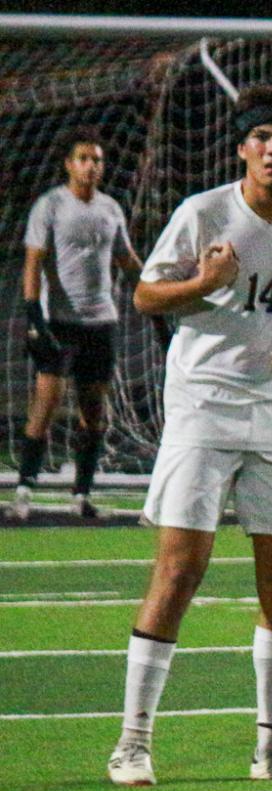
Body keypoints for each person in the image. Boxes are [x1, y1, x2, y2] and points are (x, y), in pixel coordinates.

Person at [110, 84, 272, 788]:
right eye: (264, 137)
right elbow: (146, 295)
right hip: (204, 406)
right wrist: (205, 281)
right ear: (243, 148)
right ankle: (133, 742)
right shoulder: (203, 213)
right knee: (179, 571)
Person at [14, 130, 141, 520]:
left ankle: (82, 495)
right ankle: (24, 490)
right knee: (46, 404)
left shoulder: (110, 209)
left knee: (94, 413)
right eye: (83, 158)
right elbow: (33, 263)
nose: (90, 166)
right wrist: (34, 314)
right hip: (60, 324)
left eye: (97, 160)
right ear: (69, 164)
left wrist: (157, 298)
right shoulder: (50, 206)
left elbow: (128, 261)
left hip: (100, 323)